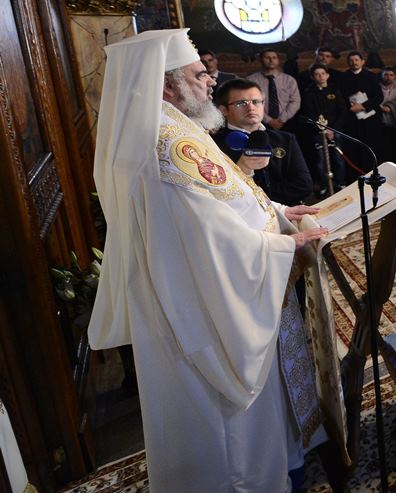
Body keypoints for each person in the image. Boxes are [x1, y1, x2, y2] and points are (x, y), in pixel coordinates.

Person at [89, 30, 341, 492]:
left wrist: (279, 212)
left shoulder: (179, 128)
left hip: (210, 288)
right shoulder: (167, 144)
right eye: (198, 75)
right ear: (166, 87)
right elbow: (208, 236)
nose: (210, 81)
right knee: (231, 432)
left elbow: (229, 196)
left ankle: (282, 465)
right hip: (202, 306)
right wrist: (282, 246)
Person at [212, 78, 314, 207]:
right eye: (241, 103)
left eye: (255, 102)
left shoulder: (285, 139)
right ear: (224, 110)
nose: (250, 108)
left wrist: (266, 198)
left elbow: (304, 185)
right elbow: (219, 191)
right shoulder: (214, 144)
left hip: (288, 211)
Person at [298, 62, 347, 194]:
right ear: (312, 77)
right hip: (317, 131)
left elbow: (342, 111)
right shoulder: (308, 92)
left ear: (327, 75)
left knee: (338, 158)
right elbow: (308, 112)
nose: (320, 76)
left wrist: (332, 129)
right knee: (320, 161)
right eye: (317, 74)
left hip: (335, 131)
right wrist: (321, 129)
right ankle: (324, 185)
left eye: (323, 73)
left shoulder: (335, 90)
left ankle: (341, 183)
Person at [250, 50, 301, 132]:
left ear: (278, 60)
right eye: (267, 57)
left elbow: (295, 101)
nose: (271, 60)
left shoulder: (289, 80)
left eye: (274, 58)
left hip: (286, 123)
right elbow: (251, 102)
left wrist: (282, 119)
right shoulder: (251, 80)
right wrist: (268, 120)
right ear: (261, 60)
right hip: (261, 123)